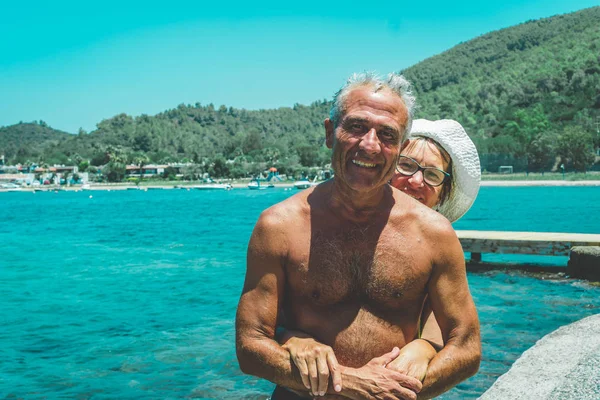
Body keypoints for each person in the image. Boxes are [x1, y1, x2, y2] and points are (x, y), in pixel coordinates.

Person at [236, 72, 481, 400]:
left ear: (398, 148)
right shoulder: (279, 226)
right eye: (355, 127)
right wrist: (351, 384)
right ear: (329, 132)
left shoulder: (434, 235)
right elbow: (250, 345)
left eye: (387, 134)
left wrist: (398, 391)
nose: (369, 145)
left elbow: (466, 347)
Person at [280, 118, 482, 396]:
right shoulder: (312, 231)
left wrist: (423, 348)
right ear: (385, 165)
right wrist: (293, 339)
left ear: (443, 192)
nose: (415, 181)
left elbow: (456, 338)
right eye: (407, 165)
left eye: (432, 175)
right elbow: (263, 329)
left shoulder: (438, 246)